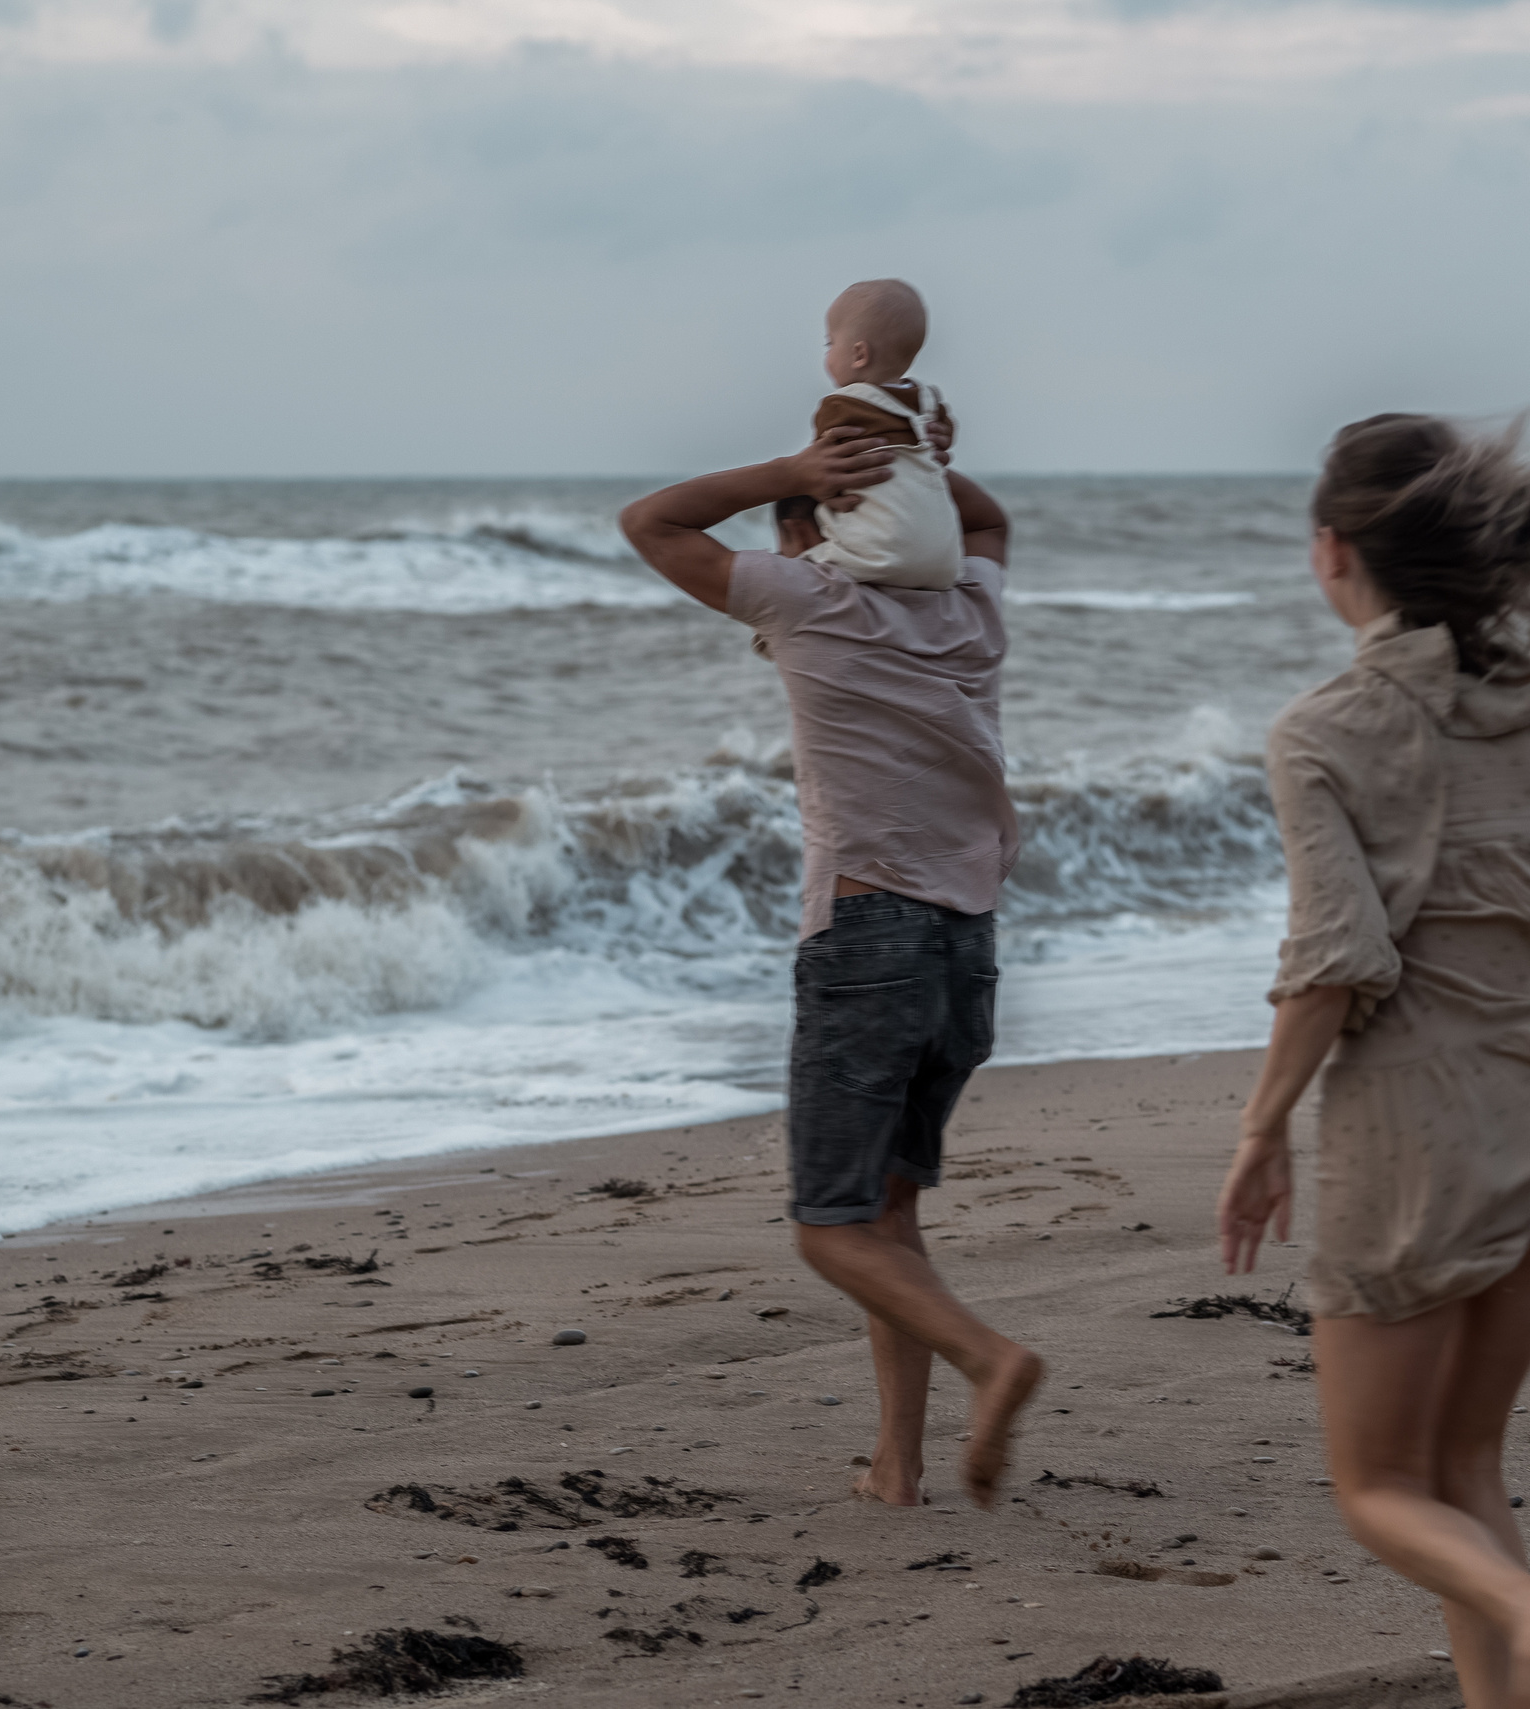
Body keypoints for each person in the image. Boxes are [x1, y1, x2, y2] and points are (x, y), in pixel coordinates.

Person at [1217, 413, 1530, 1709]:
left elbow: (1338, 960)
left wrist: (1262, 1128)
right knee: (1466, 1460)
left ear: (1333, 552)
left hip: (1421, 1141)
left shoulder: (1325, 729)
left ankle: (1521, 1598)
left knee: (1381, 1489)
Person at [617, 422, 1042, 1512]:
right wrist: (915, 466)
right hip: (967, 948)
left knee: (831, 1225)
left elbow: (650, 520)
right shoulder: (972, 608)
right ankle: (895, 1466)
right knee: (890, 1219)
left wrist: (792, 472)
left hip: (866, 942)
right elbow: (988, 522)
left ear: (808, 532)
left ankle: (990, 1357)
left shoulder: (807, 602)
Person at [801, 278, 963, 591]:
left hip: (879, 555)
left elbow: (821, 467)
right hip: (945, 564)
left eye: (830, 343)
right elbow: (946, 434)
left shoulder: (841, 407)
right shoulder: (928, 400)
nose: (827, 353)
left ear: (859, 354)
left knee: (798, 567)